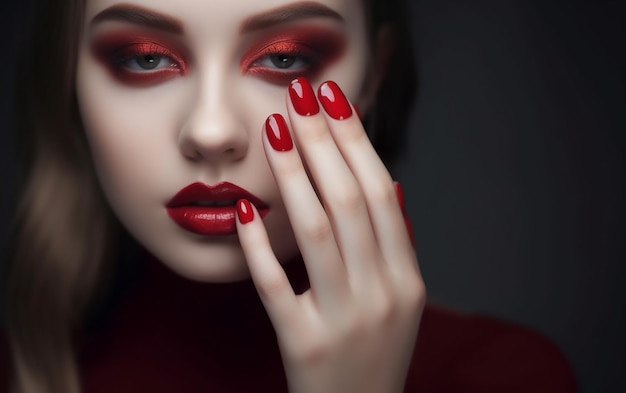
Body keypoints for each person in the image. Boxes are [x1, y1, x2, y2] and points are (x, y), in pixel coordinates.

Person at [1, 0, 578, 392]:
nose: (210, 131)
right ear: (69, 76)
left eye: (283, 58)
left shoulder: (505, 376)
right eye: (146, 58)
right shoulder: (19, 370)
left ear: (372, 76)